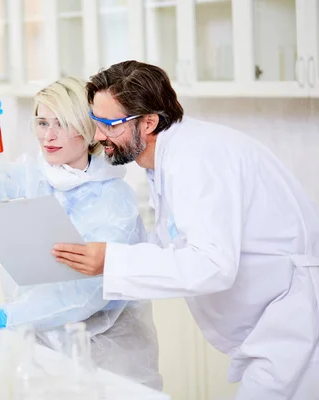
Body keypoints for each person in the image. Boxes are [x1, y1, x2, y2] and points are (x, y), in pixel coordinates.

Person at [52, 61, 319, 400]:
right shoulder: (167, 158)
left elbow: (212, 265)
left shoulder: (195, 159)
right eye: (96, 122)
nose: (99, 135)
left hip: (293, 318)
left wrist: (112, 262)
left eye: (110, 124)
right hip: (272, 323)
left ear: (149, 122)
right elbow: (173, 244)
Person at [0, 77, 162, 389]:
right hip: (41, 349)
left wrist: (9, 316)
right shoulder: (34, 174)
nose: (48, 136)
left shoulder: (114, 201)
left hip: (108, 360)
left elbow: (89, 290)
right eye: (41, 122)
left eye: (61, 123)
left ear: (87, 128)